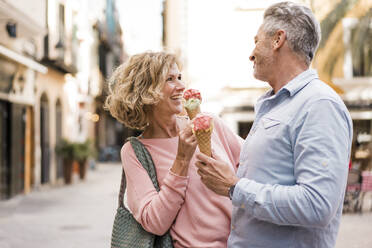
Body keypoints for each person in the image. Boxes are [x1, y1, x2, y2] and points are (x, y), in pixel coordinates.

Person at [195, 2, 353, 248]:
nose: (251, 53)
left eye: (256, 41)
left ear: (278, 39)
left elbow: (317, 204)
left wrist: (234, 186)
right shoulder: (276, 105)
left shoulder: (319, 104)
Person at [104, 51, 243, 248]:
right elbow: (155, 223)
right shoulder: (134, 152)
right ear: (146, 91)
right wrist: (182, 160)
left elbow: (254, 167)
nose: (182, 86)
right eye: (170, 79)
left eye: (179, 77)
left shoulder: (210, 124)